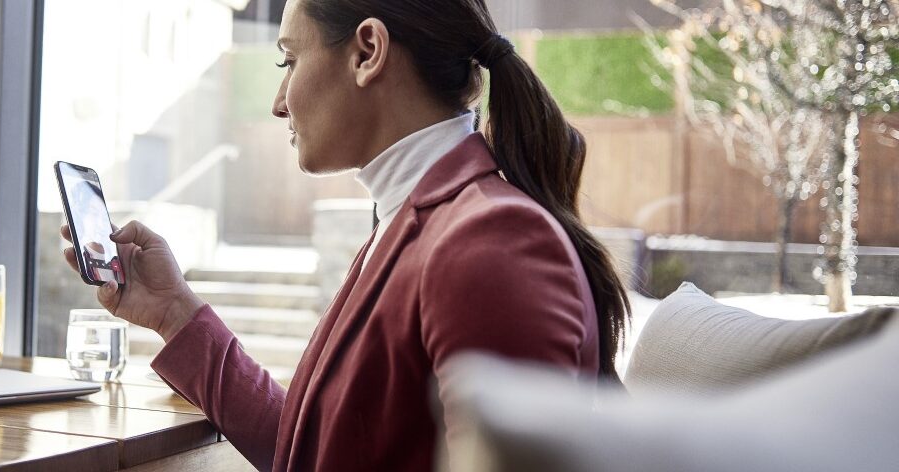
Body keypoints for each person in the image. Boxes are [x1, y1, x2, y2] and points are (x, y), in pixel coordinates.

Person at [60, 0, 630, 470]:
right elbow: (315, 453)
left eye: (288, 61)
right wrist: (172, 312)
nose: (278, 103)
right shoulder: (415, 221)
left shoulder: (488, 244)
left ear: (367, 51)